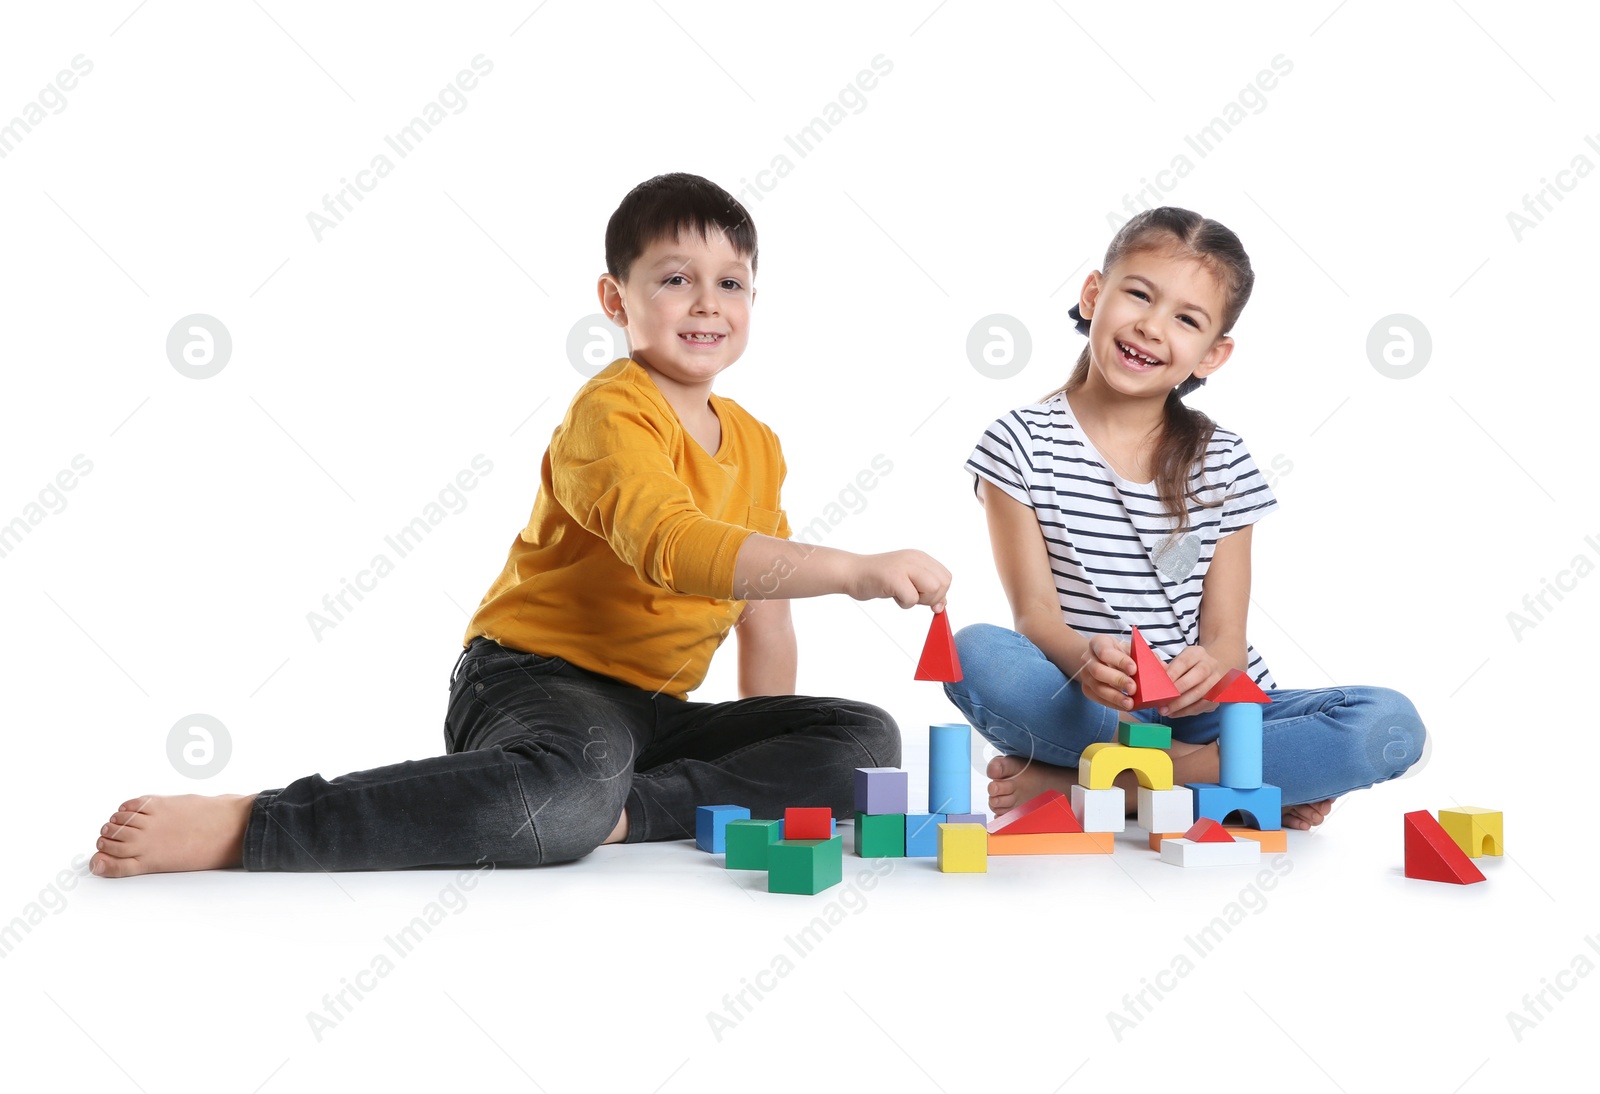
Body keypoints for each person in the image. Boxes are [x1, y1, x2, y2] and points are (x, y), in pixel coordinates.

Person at [90, 172, 951, 877]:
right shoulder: (611, 414)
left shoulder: (758, 446)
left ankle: (620, 810)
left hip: (654, 716)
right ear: (616, 299)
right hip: (535, 682)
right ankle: (259, 825)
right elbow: (675, 548)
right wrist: (855, 569)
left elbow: (764, 611)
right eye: (675, 278)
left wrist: (766, 763)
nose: (707, 303)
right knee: (560, 795)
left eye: (731, 283)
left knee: (863, 743)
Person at [943, 206, 1424, 832]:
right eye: (1138, 294)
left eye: (1186, 319)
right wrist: (1085, 659)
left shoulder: (1222, 460)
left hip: (1211, 716)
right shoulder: (1019, 443)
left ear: (1212, 354)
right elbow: (1035, 615)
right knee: (975, 653)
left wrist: (1214, 664)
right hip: (1095, 710)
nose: (1150, 326)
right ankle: (1228, 780)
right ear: (1094, 295)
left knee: (1390, 723)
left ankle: (1120, 788)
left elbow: (1225, 637)